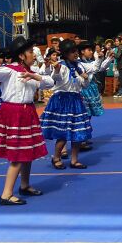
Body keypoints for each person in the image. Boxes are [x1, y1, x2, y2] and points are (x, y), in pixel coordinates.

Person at [0, 36, 55, 206]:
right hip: (14, 113)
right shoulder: (9, 70)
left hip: (27, 111)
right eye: (30, 52)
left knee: (28, 152)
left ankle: (25, 185)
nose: (33, 55)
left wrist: (34, 76)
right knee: (17, 155)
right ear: (21, 55)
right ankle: (6, 194)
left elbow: (50, 82)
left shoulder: (31, 70)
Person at [41, 40, 95, 170]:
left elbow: (84, 85)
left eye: (76, 51)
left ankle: (74, 160)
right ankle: (56, 157)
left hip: (75, 100)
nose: (76, 53)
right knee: (63, 133)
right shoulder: (61, 65)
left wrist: (85, 78)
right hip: (62, 100)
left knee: (77, 132)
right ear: (65, 53)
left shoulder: (78, 66)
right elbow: (55, 78)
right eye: (72, 51)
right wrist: (57, 70)